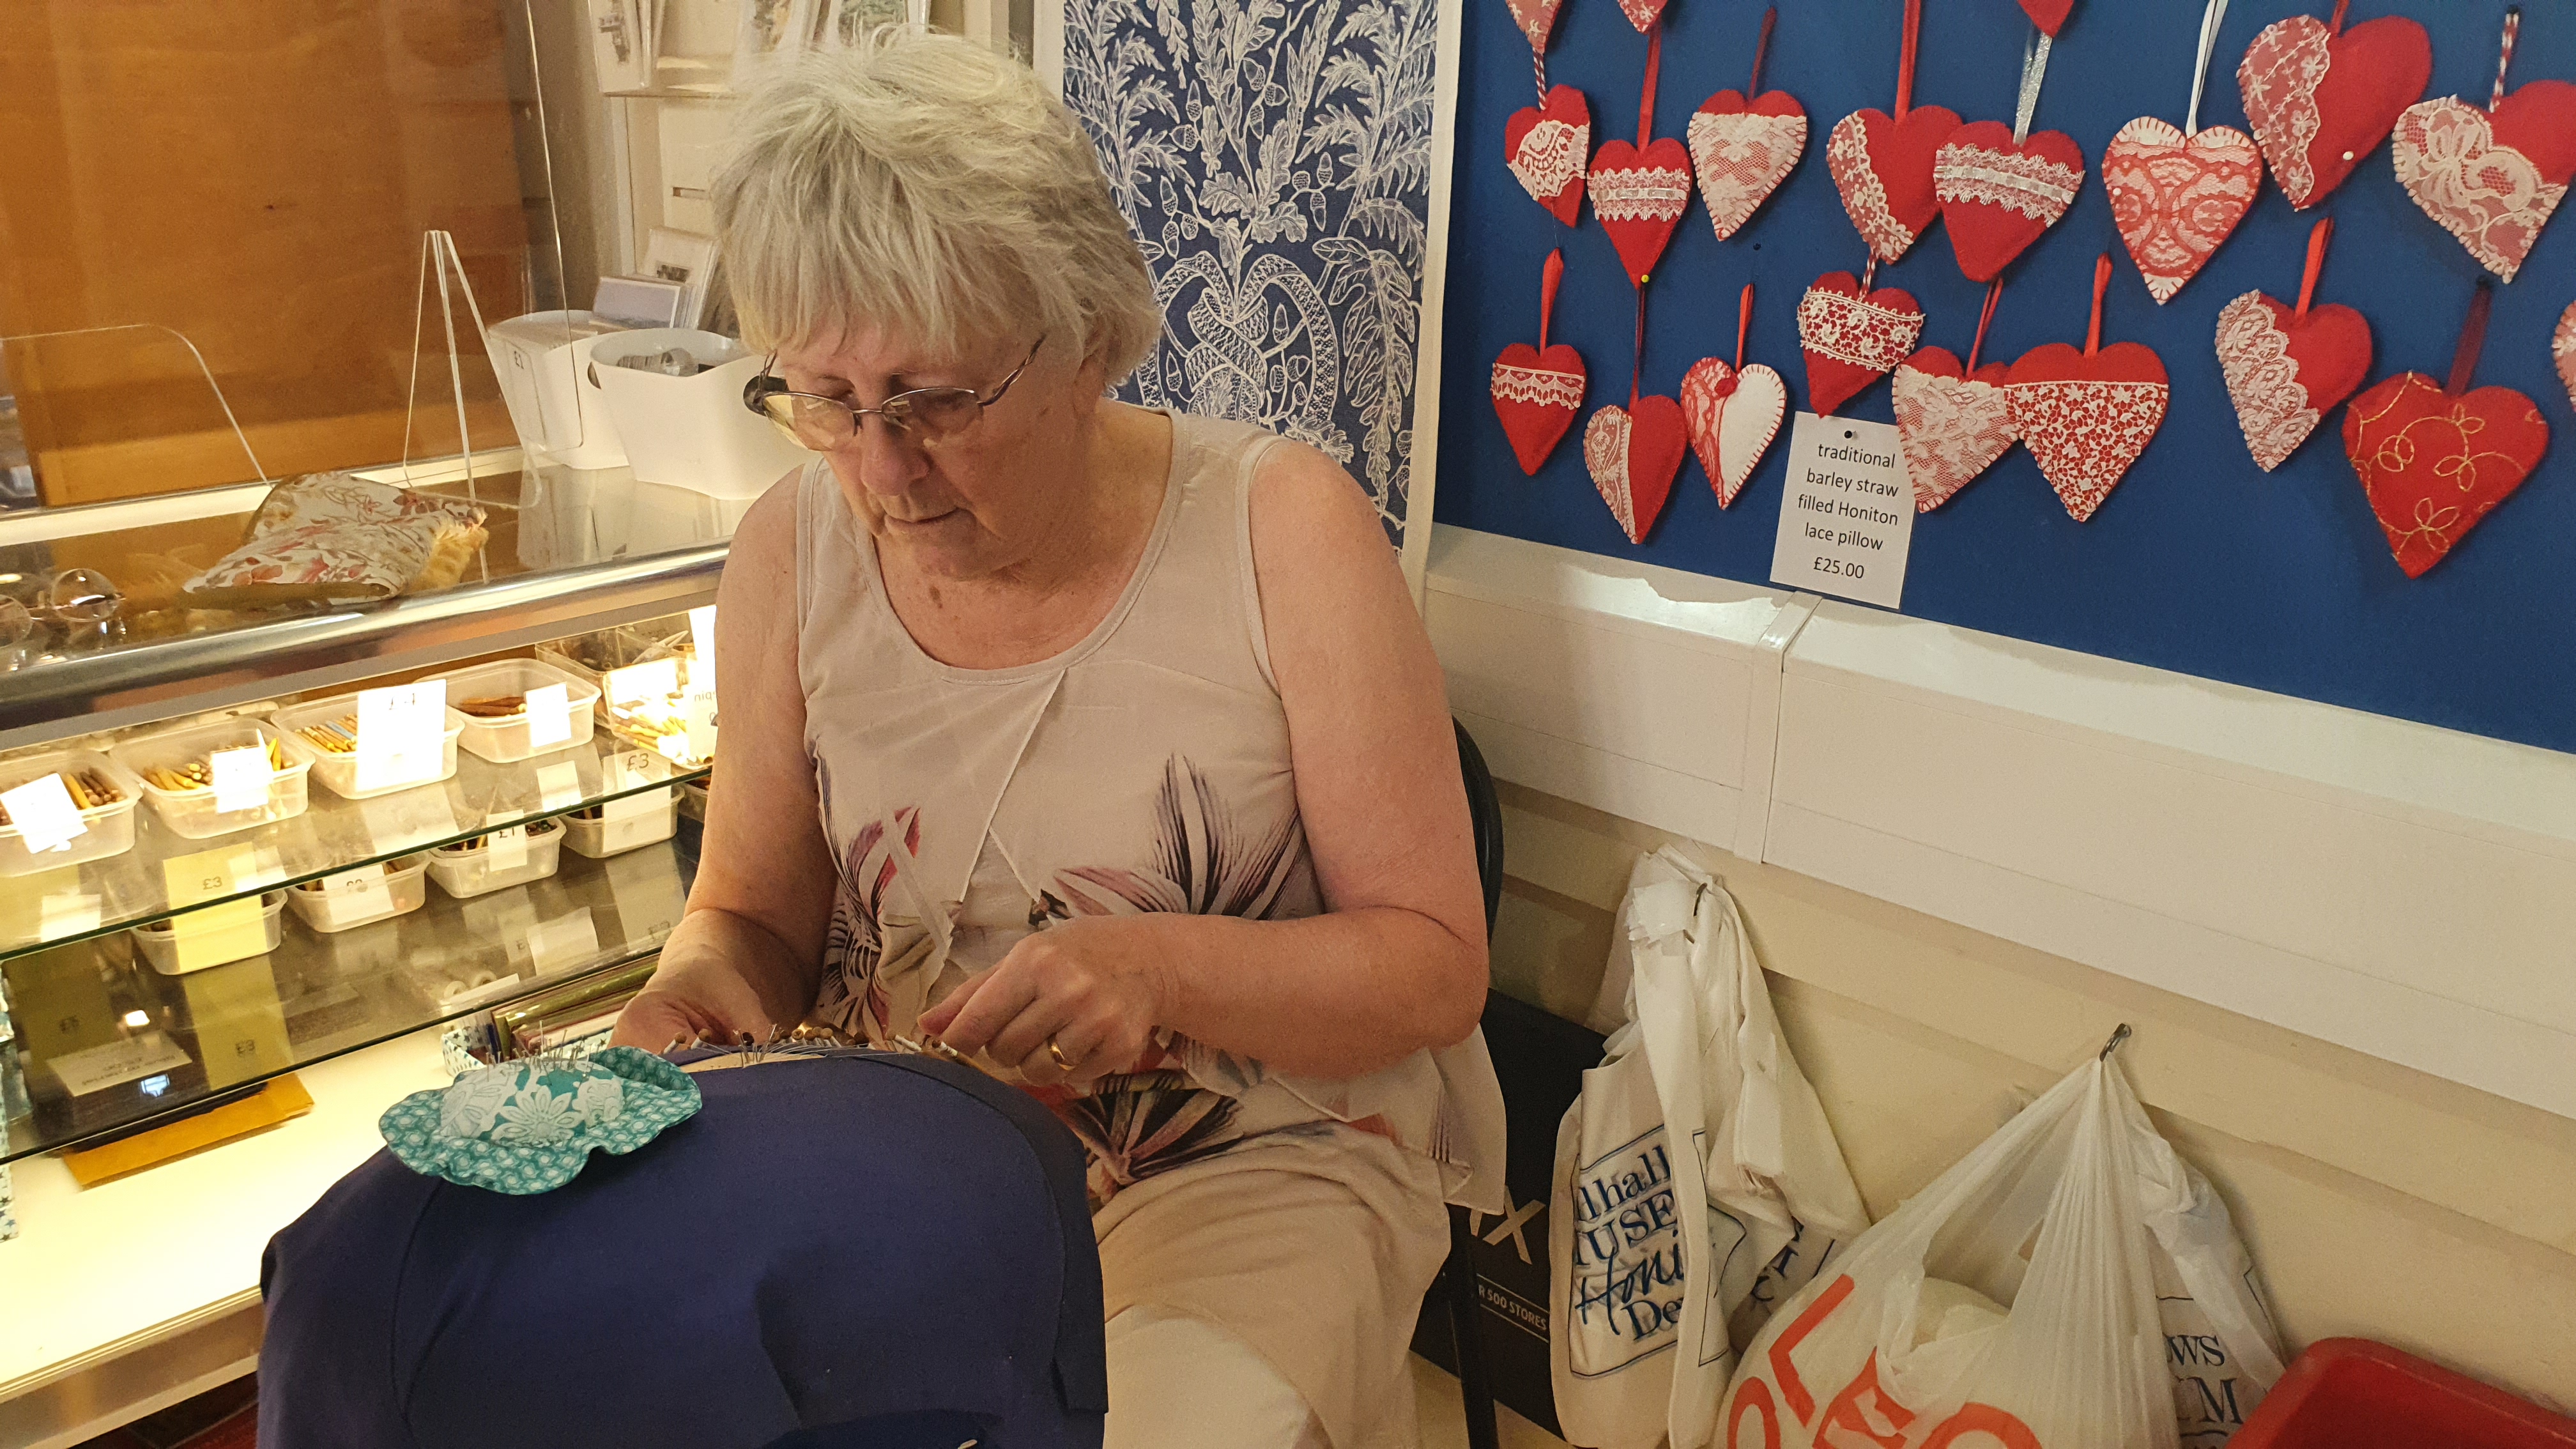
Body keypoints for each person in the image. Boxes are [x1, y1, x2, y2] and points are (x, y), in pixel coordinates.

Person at [607, 29, 1505, 1449]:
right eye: (829, 403)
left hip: (1254, 1155)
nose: (885, 469)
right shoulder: (788, 549)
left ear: (1088, 336)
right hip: (906, 1148)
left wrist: (1155, 966)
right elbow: (749, 911)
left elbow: (1432, 971)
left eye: (939, 400)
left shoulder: (1285, 530)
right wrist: (699, 988)